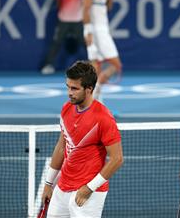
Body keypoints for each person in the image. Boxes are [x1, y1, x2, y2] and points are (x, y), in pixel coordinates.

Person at [41, 60, 124, 217]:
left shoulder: (103, 118)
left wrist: (89, 188)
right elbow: (61, 146)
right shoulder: (66, 109)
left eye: (74, 88)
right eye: (68, 87)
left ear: (89, 89)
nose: (69, 93)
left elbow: (117, 159)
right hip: (62, 187)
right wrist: (48, 184)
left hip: (88, 193)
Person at [83, 0, 123, 102]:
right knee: (116, 65)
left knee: (95, 66)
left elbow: (108, 7)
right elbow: (85, 8)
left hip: (102, 30)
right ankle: (95, 89)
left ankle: (95, 101)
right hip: (95, 31)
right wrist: (88, 31)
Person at [41, 0, 86, 75]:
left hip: (78, 20)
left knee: (86, 43)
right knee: (56, 42)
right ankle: (48, 65)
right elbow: (59, 1)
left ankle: (94, 64)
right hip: (63, 19)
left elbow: (86, 1)